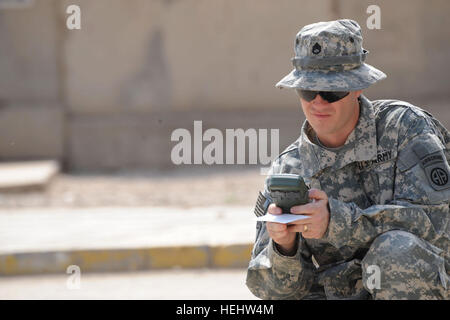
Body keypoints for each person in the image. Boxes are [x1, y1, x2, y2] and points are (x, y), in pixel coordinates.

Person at [246, 19, 449, 300]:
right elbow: (271, 290)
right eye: (307, 90)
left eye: (331, 91)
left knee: (395, 254)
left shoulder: (403, 128)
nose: (318, 102)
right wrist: (284, 248)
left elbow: (439, 224)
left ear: (358, 87)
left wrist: (336, 221)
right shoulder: (290, 167)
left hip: (424, 285)